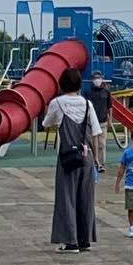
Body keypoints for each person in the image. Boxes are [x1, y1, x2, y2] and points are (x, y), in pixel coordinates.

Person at [43, 66, 101, 252]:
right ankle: (85, 239)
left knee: (66, 197)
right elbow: (96, 133)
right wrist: (98, 160)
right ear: (79, 84)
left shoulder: (57, 103)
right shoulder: (87, 103)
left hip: (68, 156)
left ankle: (70, 241)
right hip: (87, 156)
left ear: (61, 84)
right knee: (86, 198)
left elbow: (46, 123)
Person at [86, 70, 113, 172]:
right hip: (91, 122)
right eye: (95, 78)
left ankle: (101, 164)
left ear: (102, 79)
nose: (97, 80)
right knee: (91, 144)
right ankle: (92, 163)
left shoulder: (106, 92)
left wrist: (110, 119)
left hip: (103, 121)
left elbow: (110, 107)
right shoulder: (88, 93)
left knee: (102, 144)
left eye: (99, 78)